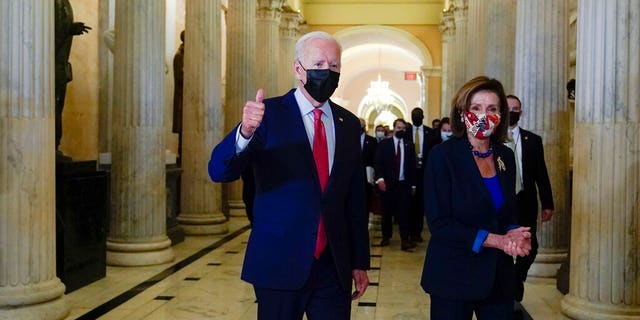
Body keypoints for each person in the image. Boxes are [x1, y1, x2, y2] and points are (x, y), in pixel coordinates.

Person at [208, 31, 369, 320]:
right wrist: (244, 132)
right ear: (298, 69)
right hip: (279, 263)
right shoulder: (267, 115)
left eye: (334, 66)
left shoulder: (348, 123)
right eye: (318, 64)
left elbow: (355, 198)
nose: (327, 71)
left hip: (333, 267)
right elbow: (219, 171)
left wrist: (359, 261)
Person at [420, 76, 532, 320]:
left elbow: (508, 211)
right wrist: (497, 240)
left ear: (501, 115)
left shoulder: (505, 156)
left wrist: (514, 235)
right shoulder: (442, 156)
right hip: (453, 275)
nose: (484, 115)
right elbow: (440, 223)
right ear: (462, 114)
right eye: (476, 108)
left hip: (497, 278)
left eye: (492, 109)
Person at [505, 94, 555, 303]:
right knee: (505, 246)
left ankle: (516, 279)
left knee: (531, 247)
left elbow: (541, 174)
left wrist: (548, 203)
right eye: (508, 108)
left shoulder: (533, 140)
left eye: (515, 108)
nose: (512, 112)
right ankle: (506, 286)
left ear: (521, 112)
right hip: (502, 201)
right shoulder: (491, 138)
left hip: (526, 201)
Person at [54, 0, 90, 158]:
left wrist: (69, 29)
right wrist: (69, 29)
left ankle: (54, 146)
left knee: (56, 109)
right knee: (53, 109)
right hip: (51, 68)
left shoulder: (63, 3)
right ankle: (52, 146)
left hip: (58, 67)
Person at [374, 118, 417, 252]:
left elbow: (412, 167)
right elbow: (378, 163)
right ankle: (386, 236)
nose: (401, 130)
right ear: (394, 128)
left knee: (404, 213)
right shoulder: (384, 145)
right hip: (387, 184)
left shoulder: (409, 145)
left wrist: (413, 185)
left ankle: (405, 240)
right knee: (386, 211)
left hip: (403, 184)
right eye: (399, 128)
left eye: (403, 128)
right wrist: (380, 179)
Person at [409, 108, 440, 243]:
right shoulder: (405, 133)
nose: (416, 117)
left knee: (421, 203)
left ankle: (417, 232)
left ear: (423, 116)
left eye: (418, 115)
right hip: (409, 172)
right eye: (414, 115)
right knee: (409, 203)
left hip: (425, 172)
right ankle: (408, 231)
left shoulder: (431, 133)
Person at [360, 118, 378, 215]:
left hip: (367, 176)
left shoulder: (372, 141)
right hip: (354, 176)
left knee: (366, 201)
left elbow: (375, 159)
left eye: (362, 125)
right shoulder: (350, 139)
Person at [173, 30, 185, 165]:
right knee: (183, 138)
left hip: (187, 101)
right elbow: (180, 77)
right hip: (183, 102)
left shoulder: (186, 55)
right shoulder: (179, 56)